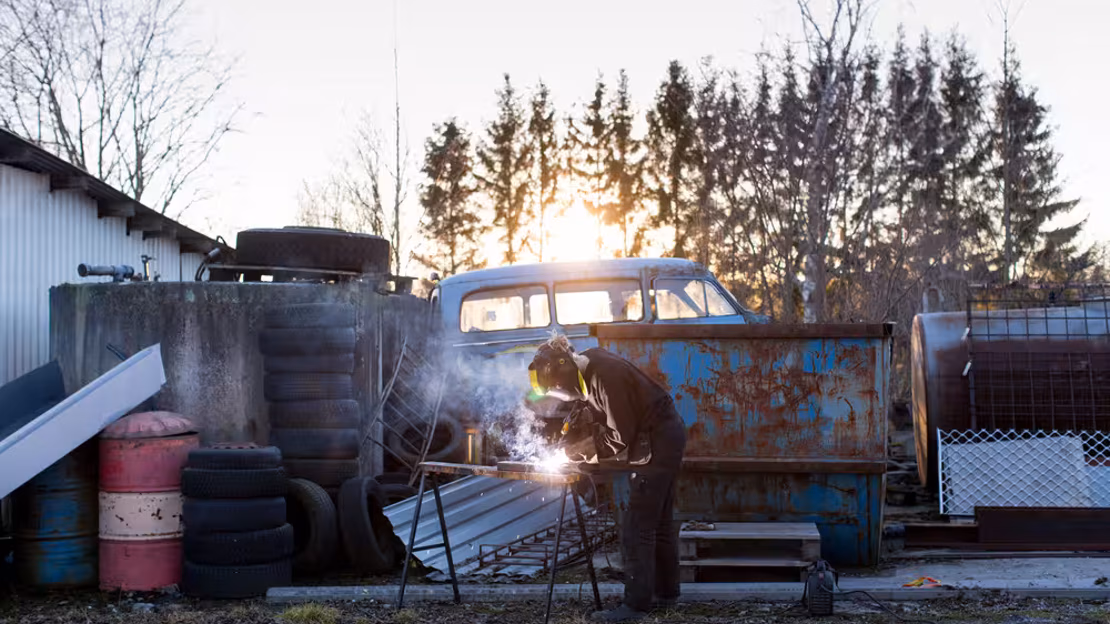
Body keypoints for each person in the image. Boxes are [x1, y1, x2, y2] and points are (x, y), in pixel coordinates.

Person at [528, 333, 686, 623]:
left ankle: (635, 607)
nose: (561, 391)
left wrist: (577, 454)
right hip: (664, 436)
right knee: (658, 523)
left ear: (564, 368)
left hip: (657, 443)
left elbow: (619, 437)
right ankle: (665, 595)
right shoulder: (590, 363)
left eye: (559, 387)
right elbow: (597, 407)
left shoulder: (605, 376)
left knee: (636, 527)